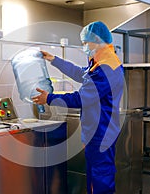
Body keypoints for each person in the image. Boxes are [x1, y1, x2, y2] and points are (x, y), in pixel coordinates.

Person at [32, 21, 124, 194]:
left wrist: (49, 98)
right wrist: (54, 60)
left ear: (96, 40)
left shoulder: (105, 67)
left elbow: (81, 98)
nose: (84, 47)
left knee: (100, 179)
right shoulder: (101, 61)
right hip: (98, 131)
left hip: (101, 132)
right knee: (97, 176)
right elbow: (80, 73)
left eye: (85, 43)